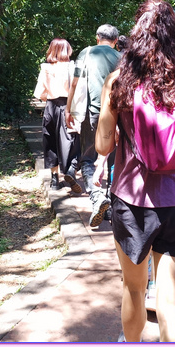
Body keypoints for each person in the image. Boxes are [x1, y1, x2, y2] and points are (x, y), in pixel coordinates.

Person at [96, 0, 175, 342]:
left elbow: (103, 146)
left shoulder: (119, 81)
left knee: (134, 290)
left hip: (131, 201)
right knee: (172, 300)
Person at [65, 24, 121, 226]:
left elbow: (75, 82)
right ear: (115, 41)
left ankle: (97, 197)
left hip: (92, 113)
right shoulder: (121, 58)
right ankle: (112, 207)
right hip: (115, 116)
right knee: (114, 160)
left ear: (97, 37)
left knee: (88, 157)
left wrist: (68, 108)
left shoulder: (86, 53)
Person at [33, 38, 80, 190]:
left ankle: (54, 180)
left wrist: (51, 96)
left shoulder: (45, 68)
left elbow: (39, 93)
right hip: (67, 106)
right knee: (71, 140)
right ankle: (70, 171)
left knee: (50, 141)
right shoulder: (73, 67)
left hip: (50, 106)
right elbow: (79, 89)